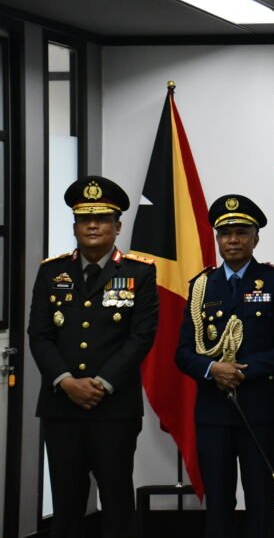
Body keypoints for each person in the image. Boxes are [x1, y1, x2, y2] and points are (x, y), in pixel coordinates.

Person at [27, 175, 159, 538]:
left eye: (102, 218)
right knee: (66, 506)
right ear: (75, 226)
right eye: (85, 219)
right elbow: (39, 334)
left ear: (118, 227)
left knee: (117, 503)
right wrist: (66, 381)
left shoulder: (139, 272)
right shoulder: (51, 272)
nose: (93, 225)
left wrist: (101, 383)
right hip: (62, 407)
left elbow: (141, 336)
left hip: (114, 408)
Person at [175, 194, 274, 538]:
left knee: (261, 501)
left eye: (242, 232)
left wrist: (241, 371)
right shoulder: (201, 286)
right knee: (218, 503)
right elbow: (183, 353)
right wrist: (212, 370)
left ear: (256, 238)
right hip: (213, 412)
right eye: (225, 233)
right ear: (217, 238)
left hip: (261, 410)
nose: (233, 240)